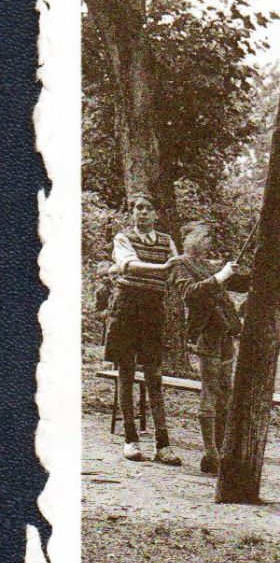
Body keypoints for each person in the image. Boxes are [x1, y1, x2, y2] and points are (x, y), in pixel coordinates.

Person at [106, 195, 182, 464]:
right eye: (138, 208)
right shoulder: (123, 238)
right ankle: (131, 439)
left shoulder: (166, 240)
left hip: (153, 308)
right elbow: (129, 264)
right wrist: (161, 268)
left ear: (156, 214)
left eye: (149, 208)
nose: (143, 213)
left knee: (154, 374)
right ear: (132, 213)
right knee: (126, 371)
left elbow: (176, 271)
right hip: (127, 306)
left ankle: (163, 444)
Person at [173, 222, 251, 475]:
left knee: (225, 392)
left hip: (225, 333)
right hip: (206, 335)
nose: (209, 241)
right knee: (210, 390)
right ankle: (210, 452)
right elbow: (190, 293)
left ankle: (221, 449)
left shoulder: (208, 265)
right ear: (188, 237)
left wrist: (236, 272)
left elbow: (239, 284)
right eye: (204, 236)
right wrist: (221, 276)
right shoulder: (178, 264)